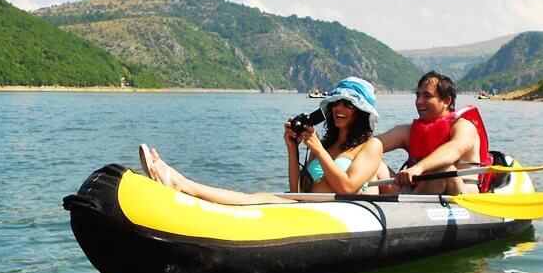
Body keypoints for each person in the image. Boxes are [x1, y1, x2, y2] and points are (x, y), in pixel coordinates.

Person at [139, 77, 383, 204]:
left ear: (360, 111)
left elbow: (348, 188)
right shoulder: (325, 143)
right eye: (336, 102)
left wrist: (318, 149)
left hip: (338, 212)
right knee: (253, 198)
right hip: (305, 203)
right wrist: (292, 150)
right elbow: (297, 190)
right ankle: (178, 184)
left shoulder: (371, 146)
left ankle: (179, 183)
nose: (340, 108)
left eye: (348, 104)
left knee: (253, 200)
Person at [376, 71, 491, 195]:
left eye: (427, 96)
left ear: (447, 101)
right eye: (417, 95)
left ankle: (409, 208)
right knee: (371, 161)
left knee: (445, 169)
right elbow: (373, 144)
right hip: (417, 193)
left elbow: (454, 149)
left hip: (460, 194)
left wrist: (418, 168)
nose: (419, 101)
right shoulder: (407, 131)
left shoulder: (464, 127)